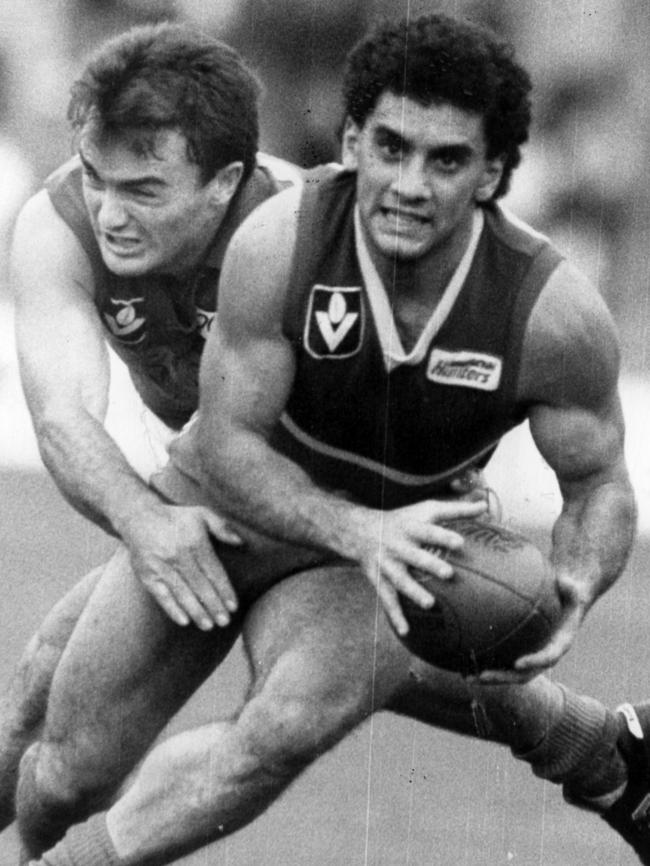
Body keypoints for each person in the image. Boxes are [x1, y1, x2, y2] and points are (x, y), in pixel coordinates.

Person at [14, 13, 645, 866]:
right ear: (351, 142)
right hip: (232, 494)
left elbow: (602, 482)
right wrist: (153, 522)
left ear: (493, 171)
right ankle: (598, 748)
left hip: (395, 529)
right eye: (390, 149)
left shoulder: (552, 312)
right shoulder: (273, 244)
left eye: (447, 160)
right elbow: (196, 439)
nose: (412, 184)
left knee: (287, 721)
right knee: (61, 765)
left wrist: (574, 581)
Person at [1, 16, 305, 836]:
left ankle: (604, 750)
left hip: (332, 501)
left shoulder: (302, 232)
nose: (108, 213)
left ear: (225, 181)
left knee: (307, 710)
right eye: (98, 177)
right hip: (207, 497)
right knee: (44, 702)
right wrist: (147, 521)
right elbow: (63, 416)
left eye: (143, 191)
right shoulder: (54, 222)